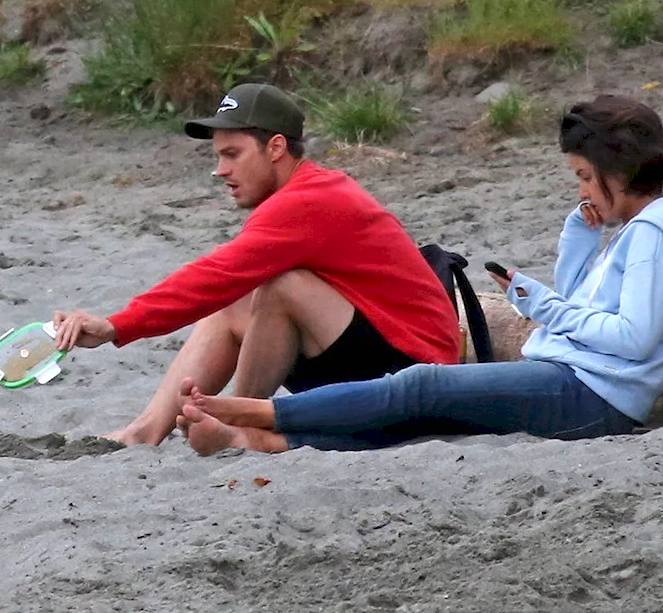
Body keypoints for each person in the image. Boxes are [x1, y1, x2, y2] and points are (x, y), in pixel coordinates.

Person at [174, 94, 663, 455]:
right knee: (432, 420)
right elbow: (584, 301)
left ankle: (260, 412)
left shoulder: (656, 235)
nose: (583, 190)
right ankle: (271, 440)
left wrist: (536, 303)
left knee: (422, 385)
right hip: (576, 381)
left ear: (619, 170)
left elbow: (633, 339)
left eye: (587, 178)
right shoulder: (651, 227)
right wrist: (582, 234)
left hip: (591, 396)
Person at [52, 83, 460, 446]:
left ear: (276, 148)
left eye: (232, 154)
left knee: (279, 286)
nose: (220, 170)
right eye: (218, 155)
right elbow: (220, 280)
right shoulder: (306, 191)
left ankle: (233, 421)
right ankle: (146, 430)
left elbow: (213, 276)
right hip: (373, 356)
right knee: (235, 299)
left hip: (414, 377)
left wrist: (117, 324)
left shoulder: (309, 199)